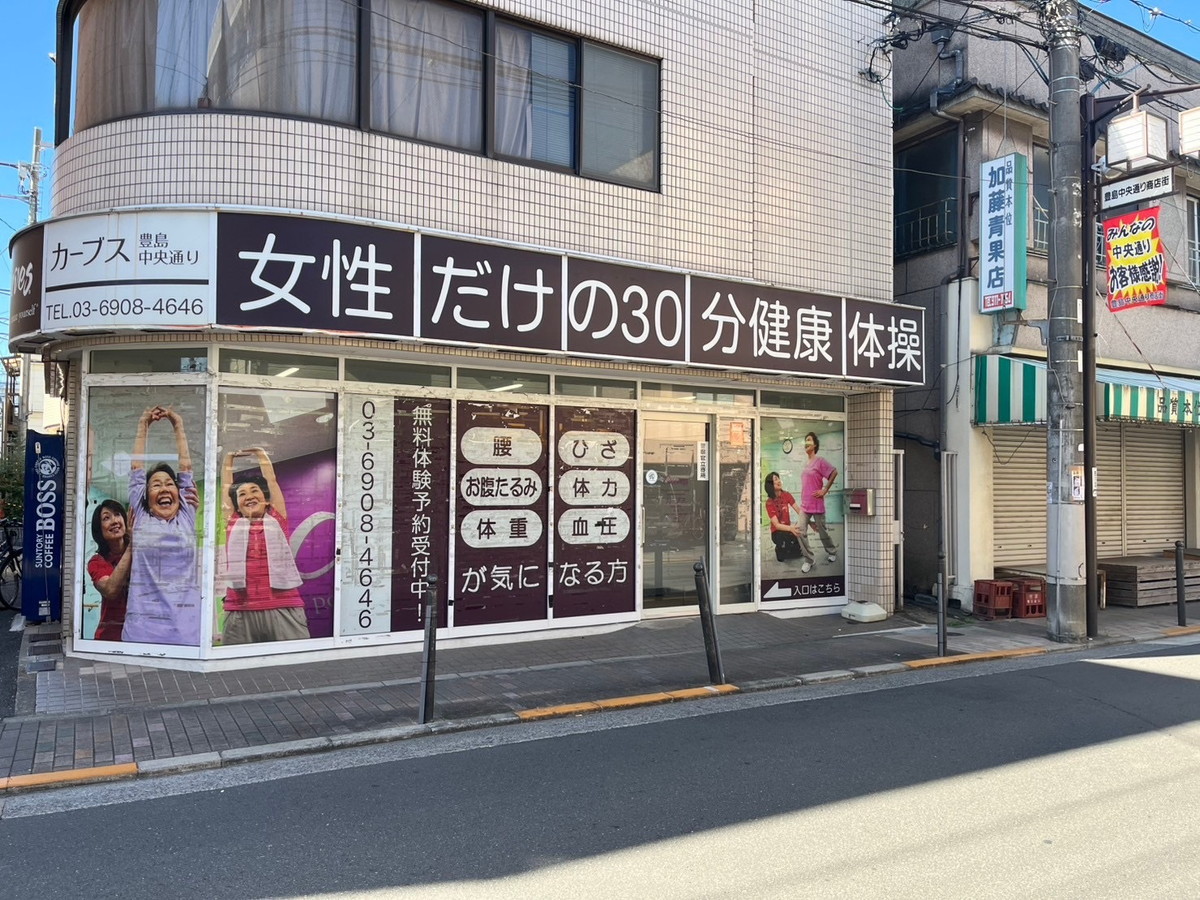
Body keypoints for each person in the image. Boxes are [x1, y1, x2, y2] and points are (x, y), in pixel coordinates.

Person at [124, 405, 201, 645]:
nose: (165, 488)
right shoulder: (141, 517)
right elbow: (136, 470)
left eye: (169, 483)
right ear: (145, 496)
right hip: (142, 631)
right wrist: (143, 425)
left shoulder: (186, 514)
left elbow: (186, 469)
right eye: (156, 485)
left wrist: (178, 424)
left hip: (185, 632)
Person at [220, 447, 310, 644]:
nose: (249, 496)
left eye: (254, 491)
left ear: (266, 499)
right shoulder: (233, 522)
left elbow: (271, 480)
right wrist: (228, 458)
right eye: (242, 494)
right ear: (237, 504)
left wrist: (260, 453)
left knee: (294, 661)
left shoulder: (277, 518)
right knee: (238, 662)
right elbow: (226, 486)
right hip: (240, 609)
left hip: (284, 606)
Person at [87, 499, 131, 641]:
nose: (114, 521)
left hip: (141, 635)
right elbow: (110, 590)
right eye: (106, 518)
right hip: (110, 639)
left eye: (117, 514)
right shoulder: (96, 562)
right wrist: (132, 546)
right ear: (99, 529)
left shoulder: (141, 553)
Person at [764, 471, 815, 572]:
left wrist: (810, 522)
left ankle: (804, 556)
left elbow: (799, 510)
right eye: (775, 480)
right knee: (783, 554)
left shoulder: (786, 495)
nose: (778, 481)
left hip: (788, 529)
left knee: (797, 549)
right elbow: (776, 525)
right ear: (770, 485)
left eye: (778, 478)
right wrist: (791, 528)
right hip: (777, 532)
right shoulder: (769, 502)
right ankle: (779, 549)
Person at [799, 431, 838, 563]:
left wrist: (825, 489)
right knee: (800, 531)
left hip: (816, 503)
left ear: (815, 445)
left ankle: (832, 551)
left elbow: (834, 472)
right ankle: (809, 559)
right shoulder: (805, 463)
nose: (806, 443)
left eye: (809, 440)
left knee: (822, 532)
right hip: (805, 505)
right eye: (805, 440)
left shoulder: (820, 461)